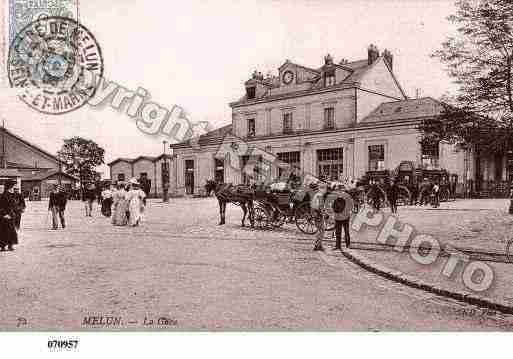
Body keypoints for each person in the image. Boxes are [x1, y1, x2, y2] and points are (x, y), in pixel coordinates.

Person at [331, 185, 354, 249]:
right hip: (346, 216)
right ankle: (348, 245)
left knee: (338, 232)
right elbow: (352, 206)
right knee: (346, 231)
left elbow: (332, 206)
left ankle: (338, 246)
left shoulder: (334, 196)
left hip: (337, 217)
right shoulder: (347, 196)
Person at [0, 180, 18, 251]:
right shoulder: (3, 195)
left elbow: (14, 205)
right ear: (10, 187)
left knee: (11, 231)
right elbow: (1, 207)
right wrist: (5, 214)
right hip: (5, 216)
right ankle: (3, 246)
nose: (14, 188)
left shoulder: (13, 195)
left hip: (11, 215)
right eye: (13, 187)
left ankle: (10, 245)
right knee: (3, 231)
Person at [311, 182, 328, 251]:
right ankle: (317, 245)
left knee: (320, 230)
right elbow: (320, 207)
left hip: (315, 213)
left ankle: (319, 244)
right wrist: (324, 213)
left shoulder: (317, 195)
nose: (326, 190)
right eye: (325, 188)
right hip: (318, 214)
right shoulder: (320, 196)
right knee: (321, 230)